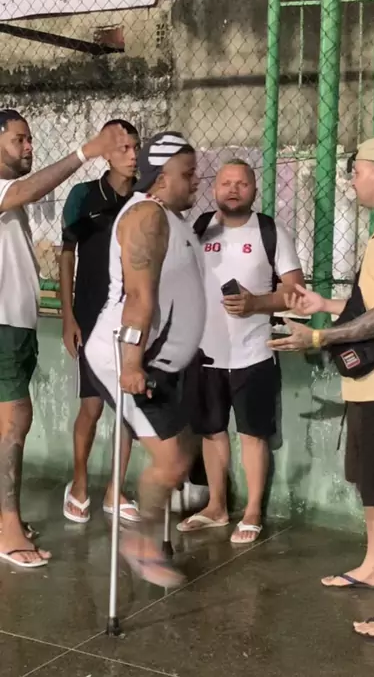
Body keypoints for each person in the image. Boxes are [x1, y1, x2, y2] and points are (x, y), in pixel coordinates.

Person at [269, 136, 374, 642]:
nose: (352, 181)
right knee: (370, 482)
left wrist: (319, 337)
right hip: (373, 378)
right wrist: (325, 306)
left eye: (357, 172)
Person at [0, 109, 129, 568]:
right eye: (19, 139)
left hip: (16, 325)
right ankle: (9, 530)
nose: (28, 147)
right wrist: (86, 151)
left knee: (9, 422)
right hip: (3, 326)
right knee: (14, 421)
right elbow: (28, 190)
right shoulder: (8, 191)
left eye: (30, 139)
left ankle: (4, 520)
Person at [85, 131, 206, 588]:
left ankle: (149, 529)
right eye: (188, 174)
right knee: (172, 460)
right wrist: (132, 364)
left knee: (184, 448)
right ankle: (140, 543)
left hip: (160, 360)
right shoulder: (146, 218)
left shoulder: (170, 218)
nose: (196, 182)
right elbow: (138, 297)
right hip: (129, 357)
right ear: (160, 179)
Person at [177, 159, 304, 544]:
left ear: (254, 190)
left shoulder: (270, 231)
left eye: (242, 183)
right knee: (212, 432)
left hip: (253, 354)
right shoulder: (198, 229)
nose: (233, 189)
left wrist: (257, 304)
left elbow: (296, 293)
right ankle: (216, 507)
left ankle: (252, 512)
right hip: (204, 354)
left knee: (252, 434)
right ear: (214, 188)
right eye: (226, 183)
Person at [60, 119, 141, 525]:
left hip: (133, 318)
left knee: (126, 408)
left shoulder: (145, 198)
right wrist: (68, 316)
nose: (132, 155)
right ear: (106, 153)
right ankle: (78, 485)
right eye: (123, 148)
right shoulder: (83, 196)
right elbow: (67, 255)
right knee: (91, 407)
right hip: (91, 316)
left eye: (136, 147)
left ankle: (115, 489)